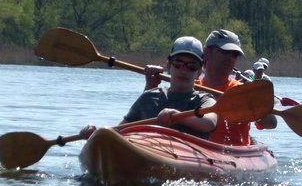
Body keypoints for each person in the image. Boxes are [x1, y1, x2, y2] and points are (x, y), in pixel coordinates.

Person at [80, 37, 218, 140]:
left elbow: (210, 123)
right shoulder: (149, 97)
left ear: (199, 72)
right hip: (148, 149)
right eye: (178, 64)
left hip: (188, 155)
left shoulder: (204, 99)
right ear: (168, 67)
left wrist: (178, 117)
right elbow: (119, 132)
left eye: (192, 66)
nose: (184, 71)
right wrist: (96, 135)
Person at [200, 29, 277, 146]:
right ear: (206, 52)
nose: (230, 58)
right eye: (225, 52)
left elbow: (271, 123)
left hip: (235, 156)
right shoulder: (190, 87)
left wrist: (255, 103)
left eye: (234, 54)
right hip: (195, 151)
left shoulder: (243, 91)